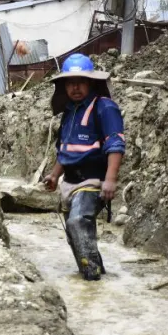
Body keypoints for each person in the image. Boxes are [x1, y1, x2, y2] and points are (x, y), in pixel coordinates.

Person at [42, 54, 126, 281]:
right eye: (70, 83)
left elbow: (115, 143)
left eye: (80, 82)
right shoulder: (70, 111)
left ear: (90, 82)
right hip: (69, 182)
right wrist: (54, 175)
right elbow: (65, 148)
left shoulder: (104, 108)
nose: (75, 87)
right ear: (64, 86)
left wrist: (110, 179)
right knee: (77, 235)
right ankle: (98, 278)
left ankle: (92, 281)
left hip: (92, 181)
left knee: (77, 223)